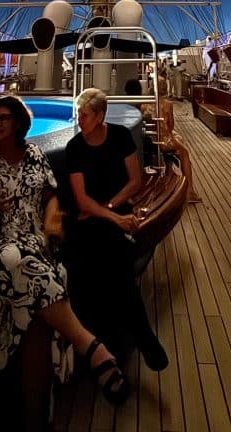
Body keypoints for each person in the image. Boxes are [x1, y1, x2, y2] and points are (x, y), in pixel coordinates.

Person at [0, 95, 129, 422]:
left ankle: (35, 415)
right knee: (20, 260)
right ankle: (91, 347)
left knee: (34, 302)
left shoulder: (33, 156)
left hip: (34, 240)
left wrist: (51, 222)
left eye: (4, 117)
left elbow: (50, 196)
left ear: (18, 122)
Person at [64, 88, 168, 372]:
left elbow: (135, 181)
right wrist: (112, 216)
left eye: (84, 115)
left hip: (110, 212)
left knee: (116, 263)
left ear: (99, 116)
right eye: (78, 114)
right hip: (90, 217)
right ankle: (137, 338)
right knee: (100, 262)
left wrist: (111, 208)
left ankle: (124, 342)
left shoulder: (120, 136)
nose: (79, 119)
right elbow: (82, 200)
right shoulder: (75, 147)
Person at [139, 80, 201, 203]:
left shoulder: (144, 104)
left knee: (177, 140)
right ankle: (190, 190)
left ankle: (169, 173)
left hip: (149, 140)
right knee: (184, 152)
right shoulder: (167, 104)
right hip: (163, 141)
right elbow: (170, 126)